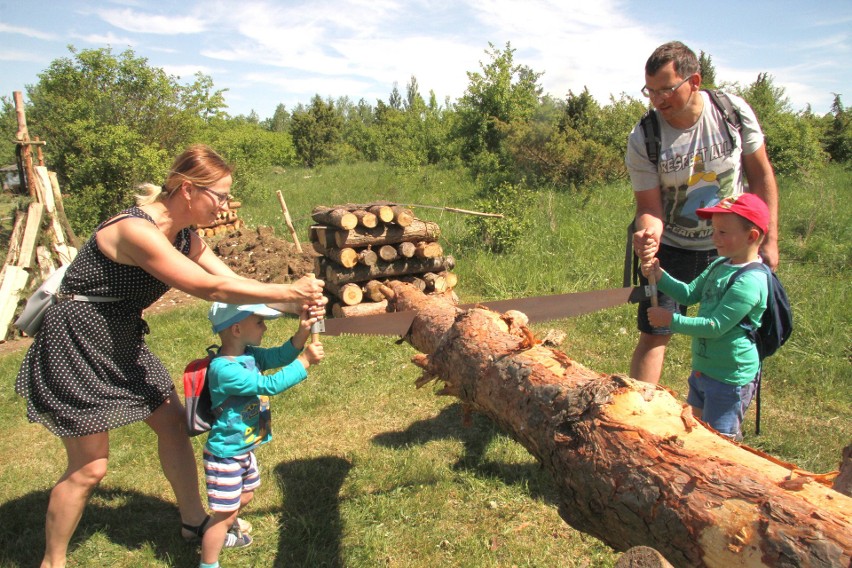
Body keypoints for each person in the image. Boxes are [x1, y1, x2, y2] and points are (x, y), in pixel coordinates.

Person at [15, 144, 326, 568]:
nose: (224, 205)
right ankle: (52, 562)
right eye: (218, 195)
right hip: (78, 342)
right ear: (185, 189)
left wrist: (290, 308)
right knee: (90, 468)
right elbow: (208, 289)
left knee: (174, 426)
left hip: (122, 339)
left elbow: (230, 280)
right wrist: (287, 292)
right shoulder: (134, 230)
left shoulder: (185, 236)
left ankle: (193, 521)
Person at [625, 40, 779, 385]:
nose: (657, 100)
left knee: (729, 333)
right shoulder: (644, 136)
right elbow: (650, 208)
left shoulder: (732, 112)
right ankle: (636, 413)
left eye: (666, 90)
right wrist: (648, 235)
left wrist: (769, 241)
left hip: (732, 246)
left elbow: (760, 175)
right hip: (674, 247)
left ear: (694, 81)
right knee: (655, 331)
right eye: (649, 91)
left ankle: (721, 414)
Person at [199, 302, 324, 568]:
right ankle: (208, 561)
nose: (265, 327)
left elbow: (280, 356)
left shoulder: (249, 355)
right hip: (226, 456)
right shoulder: (224, 370)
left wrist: (302, 331)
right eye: (259, 322)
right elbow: (269, 384)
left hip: (243, 449)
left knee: (245, 496)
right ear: (236, 329)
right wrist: (305, 362)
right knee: (222, 514)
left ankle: (226, 527)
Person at [641, 193, 770, 440]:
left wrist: (671, 321)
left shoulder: (751, 281)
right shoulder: (720, 264)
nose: (714, 237)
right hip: (703, 370)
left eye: (722, 232)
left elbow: (715, 326)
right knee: (697, 433)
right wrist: (659, 275)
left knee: (719, 442)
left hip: (729, 379)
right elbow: (689, 294)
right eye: (714, 230)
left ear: (751, 236)